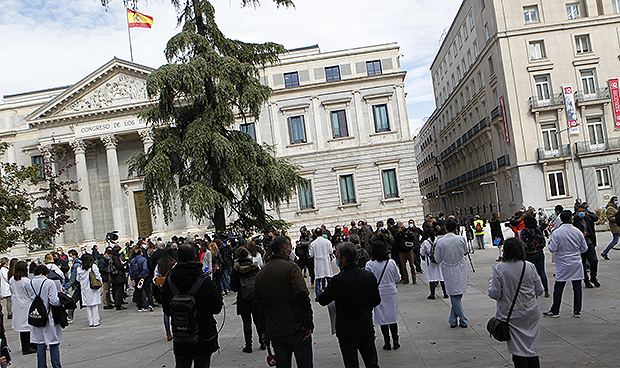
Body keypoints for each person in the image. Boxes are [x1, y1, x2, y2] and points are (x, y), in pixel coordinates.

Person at [318, 243, 381, 368]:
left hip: (346, 329)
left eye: (338, 257)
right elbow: (376, 300)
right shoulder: (368, 276)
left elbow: (323, 300)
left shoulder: (338, 281)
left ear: (344, 259)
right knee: (371, 362)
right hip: (365, 325)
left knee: (351, 363)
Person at [255, 236, 313, 368]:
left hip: (275, 329)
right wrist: (308, 323)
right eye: (290, 247)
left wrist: (263, 329)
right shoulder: (291, 268)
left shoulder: (261, 274)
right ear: (285, 250)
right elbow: (302, 296)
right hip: (296, 326)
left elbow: (259, 306)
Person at [161, 244, 223, 368]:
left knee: (182, 364)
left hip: (181, 333)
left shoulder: (169, 282)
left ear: (178, 259)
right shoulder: (205, 281)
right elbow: (216, 308)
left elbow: (167, 310)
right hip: (203, 333)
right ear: (195, 258)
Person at [488, 238, 544, 368]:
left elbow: (494, 294)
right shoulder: (529, 266)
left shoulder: (500, 269)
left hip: (511, 315)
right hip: (530, 313)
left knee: (517, 349)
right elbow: (539, 290)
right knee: (532, 348)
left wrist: (491, 283)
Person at [543, 211, 588, 318]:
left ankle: (555, 310)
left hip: (563, 263)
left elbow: (552, 249)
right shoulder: (578, 232)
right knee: (577, 287)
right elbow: (584, 248)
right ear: (571, 219)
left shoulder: (557, 233)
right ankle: (577, 310)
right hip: (576, 262)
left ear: (561, 220)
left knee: (558, 288)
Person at [365, 241, 400, 351]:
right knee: (392, 317)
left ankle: (387, 342)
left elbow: (368, 281)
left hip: (378, 291)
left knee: (382, 318)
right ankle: (396, 341)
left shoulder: (370, 264)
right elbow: (397, 278)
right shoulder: (392, 262)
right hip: (391, 291)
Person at [435, 219, 469, 328]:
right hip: (459, 267)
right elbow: (465, 251)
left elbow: (437, 258)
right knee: (456, 294)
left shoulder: (440, 241)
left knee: (456, 295)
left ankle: (453, 319)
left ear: (445, 227)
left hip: (449, 268)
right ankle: (461, 319)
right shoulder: (460, 239)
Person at [28, 265, 63, 368]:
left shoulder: (30, 282)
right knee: (53, 343)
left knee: (40, 344)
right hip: (48, 315)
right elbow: (53, 300)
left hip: (36, 314)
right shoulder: (49, 283)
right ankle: (56, 365)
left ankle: (41, 366)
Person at [230, 247, 263, 353]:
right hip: (255, 296)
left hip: (243, 297)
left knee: (246, 322)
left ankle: (248, 345)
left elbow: (234, 287)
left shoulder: (236, 269)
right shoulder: (254, 267)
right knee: (258, 321)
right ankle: (263, 342)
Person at [9, 261, 37, 355]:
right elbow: (31, 293)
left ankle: (26, 345)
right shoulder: (26, 281)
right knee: (27, 326)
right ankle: (28, 346)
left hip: (17, 304)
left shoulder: (12, 279)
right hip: (26, 304)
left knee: (22, 326)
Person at [520, 215, 550, 298]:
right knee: (542, 272)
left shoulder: (524, 232)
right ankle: (546, 290)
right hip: (539, 253)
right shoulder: (538, 230)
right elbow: (543, 241)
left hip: (529, 255)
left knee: (532, 273)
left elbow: (522, 244)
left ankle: (535, 292)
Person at [573, 205, 600, 288]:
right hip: (580, 244)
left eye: (583, 211)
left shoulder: (588, 219)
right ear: (577, 212)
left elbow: (596, 218)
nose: (581, 213)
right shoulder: (574, 221)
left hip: (589, 242)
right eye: (580, 211)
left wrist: (589, 213)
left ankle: (593, 277)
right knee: (582, 263)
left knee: (594, 261)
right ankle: (586, 280)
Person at [153, 246, 176, 341]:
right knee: (175, 310)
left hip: (164, 290)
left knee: (166, 311)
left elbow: (155, 278)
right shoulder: (174, 264)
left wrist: (160, 282)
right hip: (173, 289)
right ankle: (175, 330)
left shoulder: (159, 264)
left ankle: (168, 333)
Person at [420, 228, 448, 299]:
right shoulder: (439, 241)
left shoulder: (426, 242)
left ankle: (432, 294)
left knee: (431, 277)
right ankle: (445, 293)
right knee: (441, 277)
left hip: (430, 262)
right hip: (439, 261)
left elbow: (422, 252)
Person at [76, 253, 103, 327]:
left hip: (84, 288)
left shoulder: (79, 268)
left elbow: (77, 279)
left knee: (88, 306)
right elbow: (98, 276)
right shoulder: (93, 266)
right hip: (93, 287)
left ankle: (90, 321)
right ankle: (96, 321)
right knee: (94, 305)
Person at [309, 228, 334, 301]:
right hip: (326, 261)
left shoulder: (313, 243)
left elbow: (311, 254)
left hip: (318, 262)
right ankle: (331, 294)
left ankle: (317, 296)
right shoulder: (327, 242)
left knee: (318, 280)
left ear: (315, 234)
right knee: (328, 278)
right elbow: (331, 251)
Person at [129, 247, 152, 312]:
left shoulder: (133, 260)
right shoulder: (143, 259)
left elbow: (130, 270)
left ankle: (139, 306)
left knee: (138, 291)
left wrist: (132, 278)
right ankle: (149, 304)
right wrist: (143, 276)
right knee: (147, 290)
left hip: (136, 276)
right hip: (143, 277)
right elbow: (145, 268)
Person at [110, 246, 127, 310]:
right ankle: (118, 304)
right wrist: (123, 266)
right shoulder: (115, 257)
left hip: (117, 276)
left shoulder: (115, 257)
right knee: (118, 290)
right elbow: (118, 266)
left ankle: (118, 302)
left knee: (118, 290)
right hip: (118, 276)